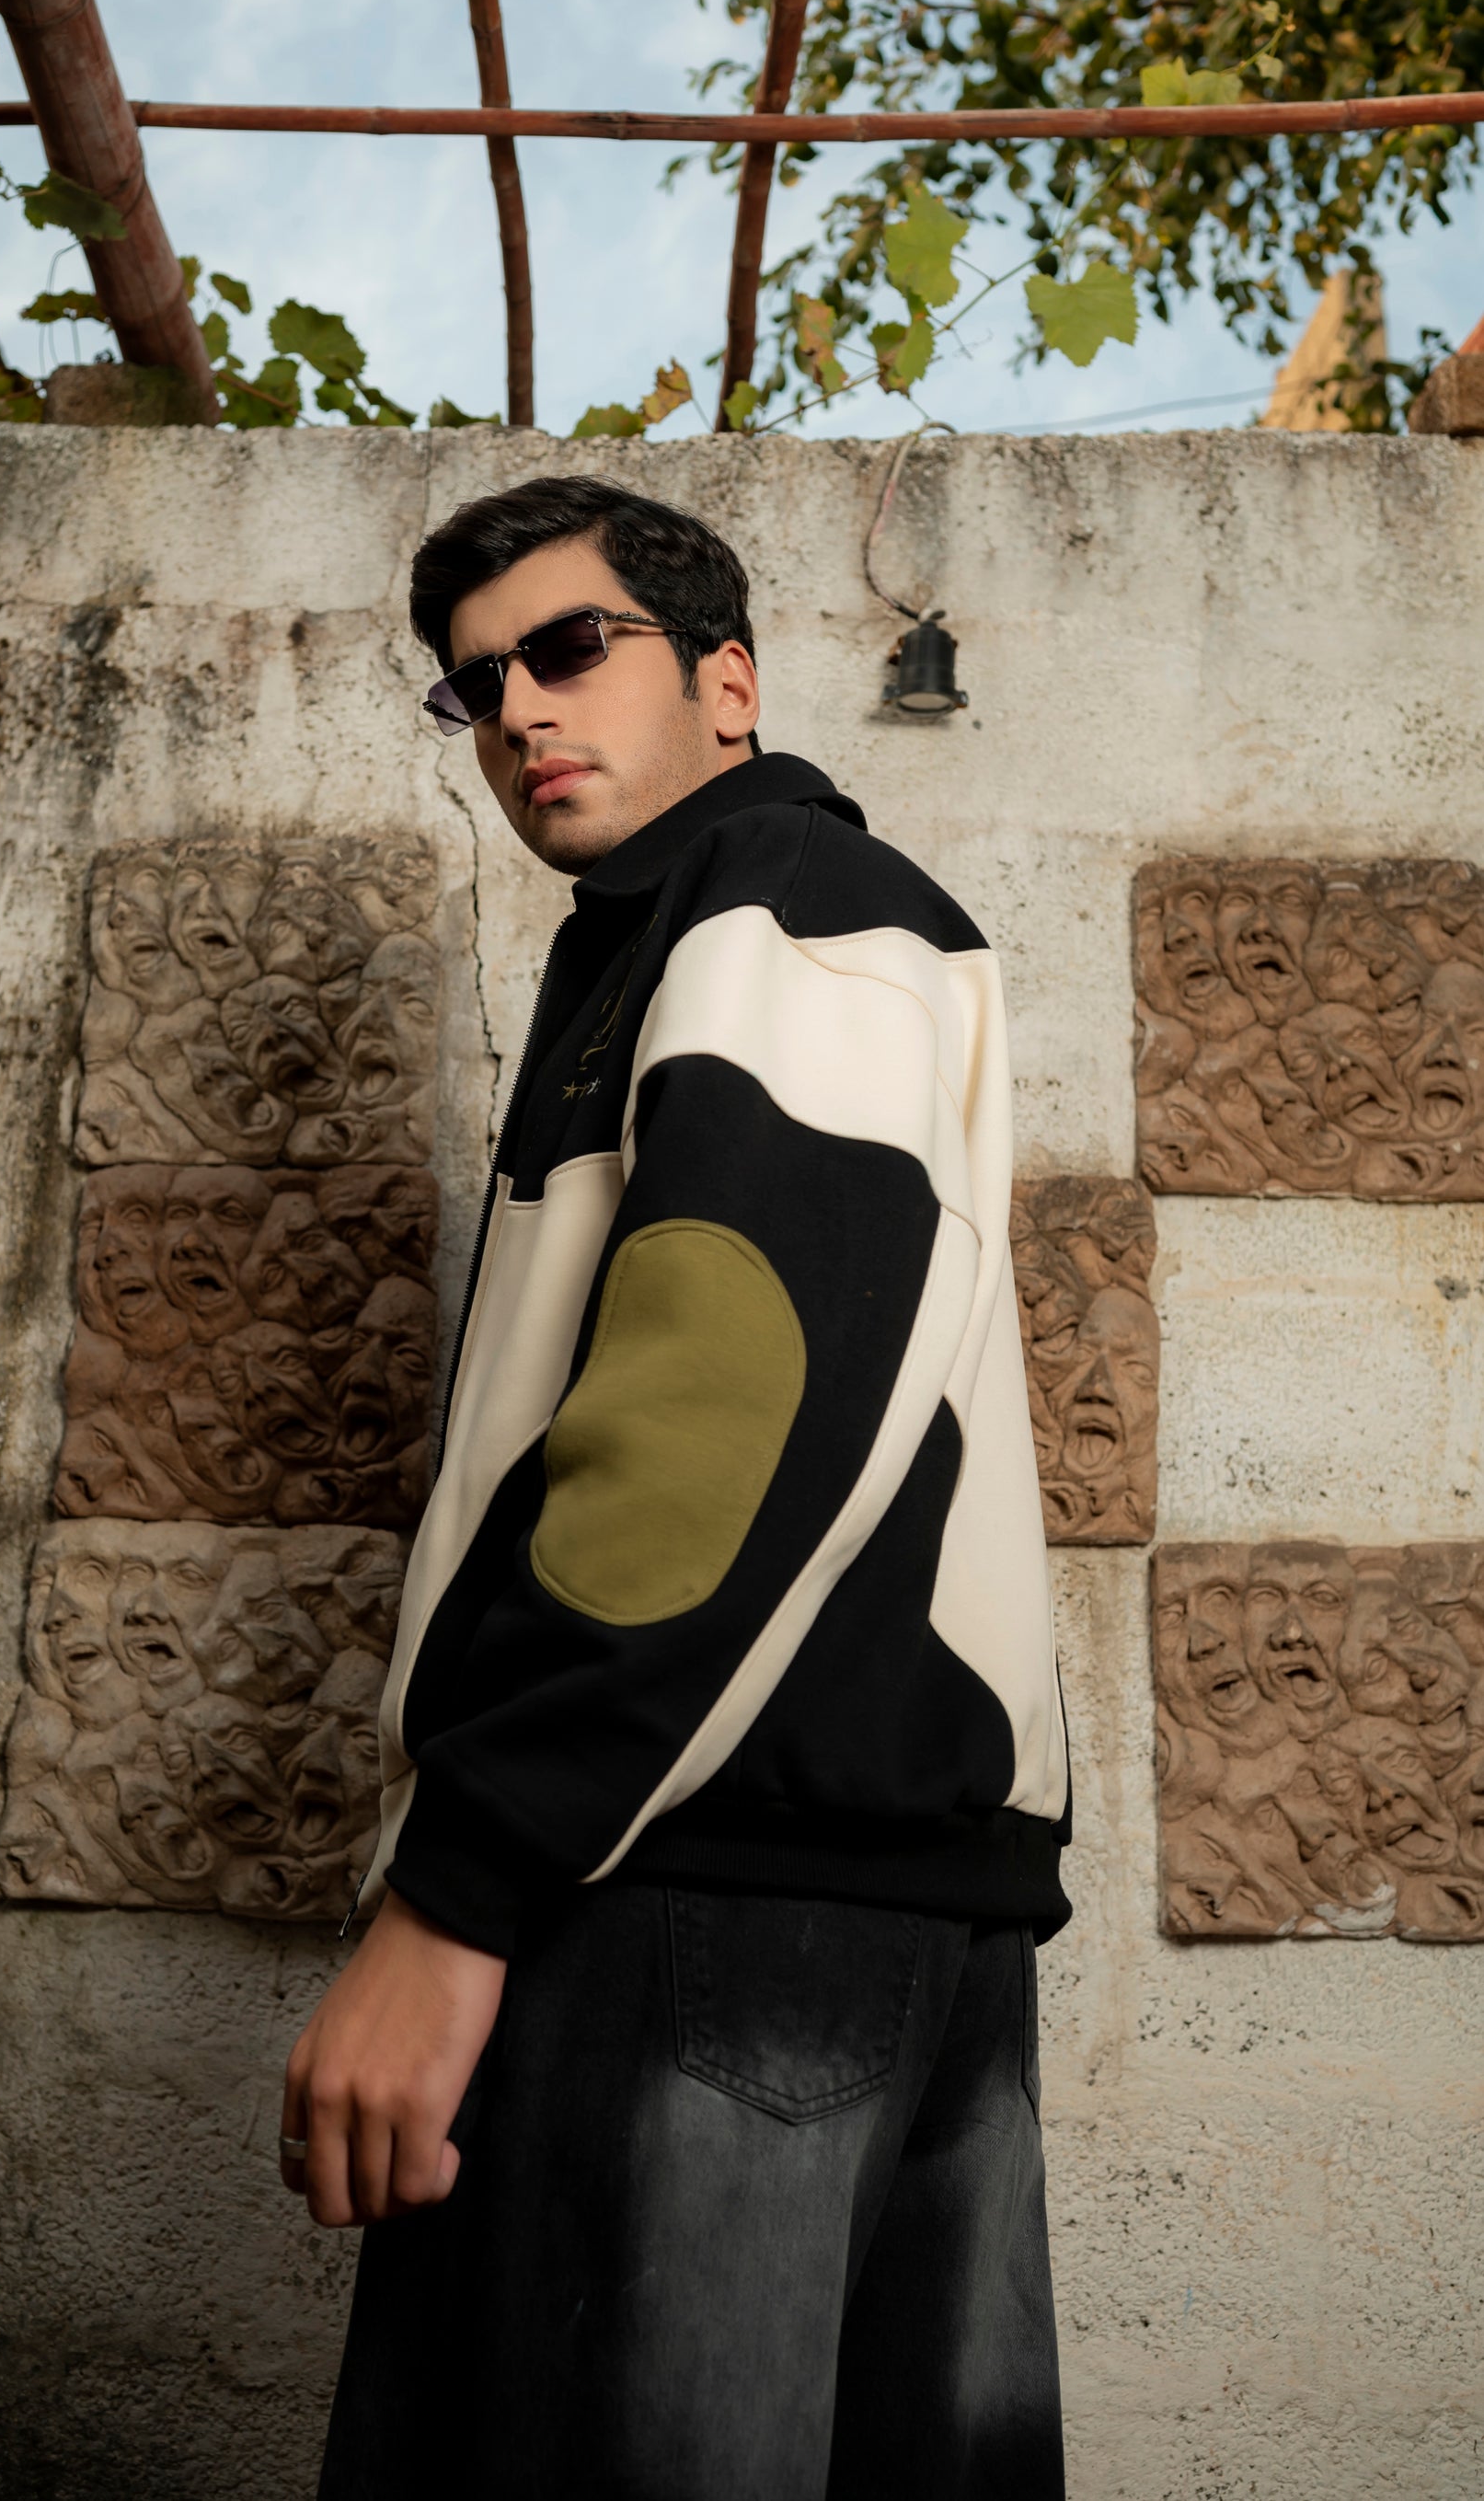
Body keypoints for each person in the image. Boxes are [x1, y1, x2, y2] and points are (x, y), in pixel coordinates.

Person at [281, 474, 1071, 2501]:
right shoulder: (700, 936)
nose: (516, 710)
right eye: (473, 685)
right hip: (836, 1899)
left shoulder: (777, 910)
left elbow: (731, 1399)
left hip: (693, 1895)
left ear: (727, 681)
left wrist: (456, 1893)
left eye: (568, 648)